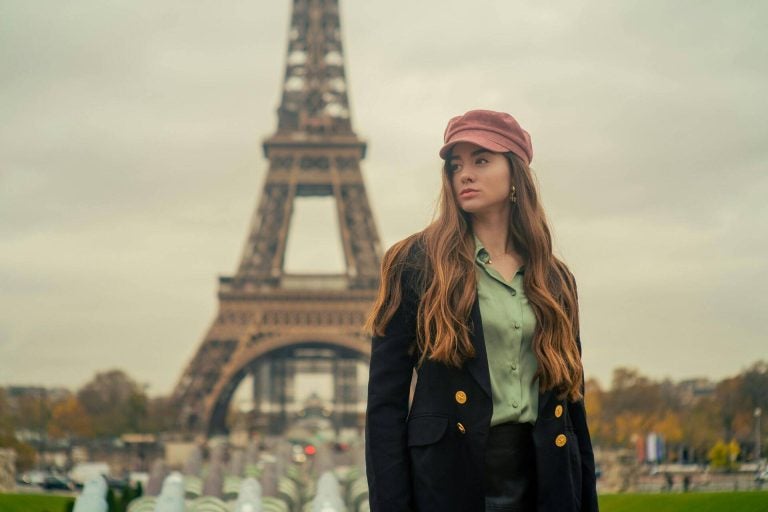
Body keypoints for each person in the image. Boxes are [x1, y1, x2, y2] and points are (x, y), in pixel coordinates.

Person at [364, 109, 599, 512]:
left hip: (545, 476)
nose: (464, 175)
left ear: (516, 173)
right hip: (450, 477)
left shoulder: (555, 279)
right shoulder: (415, 264)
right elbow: (384, 407)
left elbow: (571, 402)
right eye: (456, 165)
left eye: (481, 160)